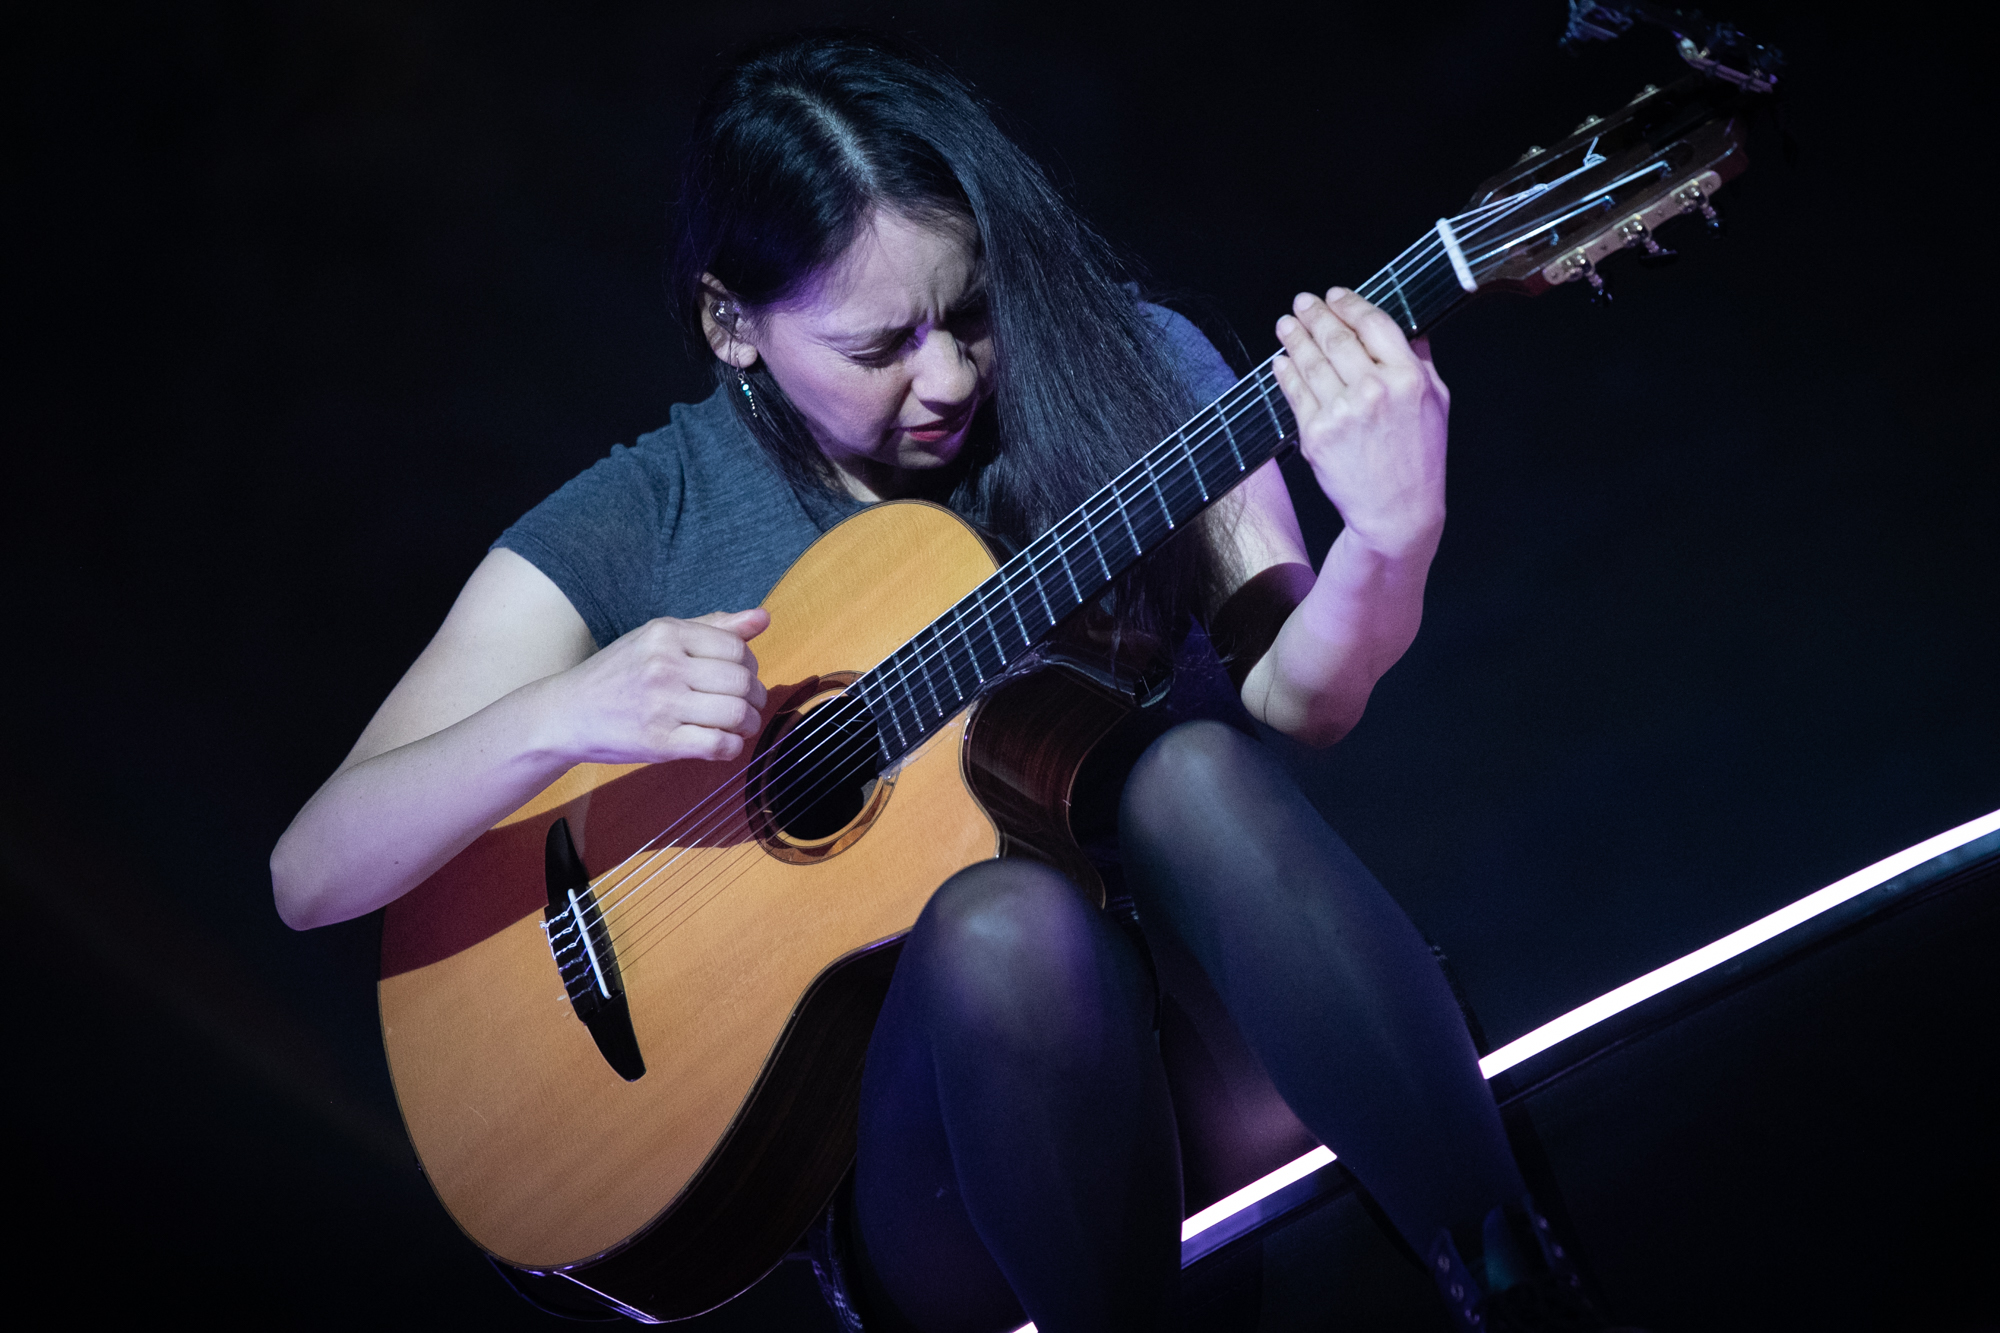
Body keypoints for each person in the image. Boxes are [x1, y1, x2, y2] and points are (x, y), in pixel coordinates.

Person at [271, 33, 1617, 1333]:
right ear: (732, 324)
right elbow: (313, 871)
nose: (950, 375)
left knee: (1190, 771)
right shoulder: (646, 515)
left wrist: (1392, 536)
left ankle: (1519, 1285)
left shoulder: (1127, 364)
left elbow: (1304, 699)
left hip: (1238, 1047)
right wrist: (561, 715)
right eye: (879, 348)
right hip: (956, 1176)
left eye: (969, 311)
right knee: (1001, 922)